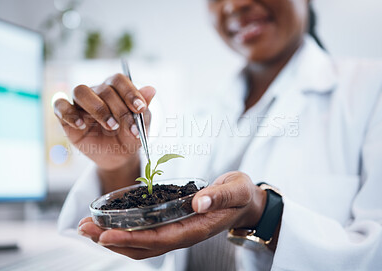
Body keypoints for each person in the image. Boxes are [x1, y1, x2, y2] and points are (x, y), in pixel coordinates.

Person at [55, 0, 382, 270]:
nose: (235, 5)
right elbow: (155, 235)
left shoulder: (369, 89)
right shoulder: (202, 107)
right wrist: (118, 166)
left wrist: (263, 212)